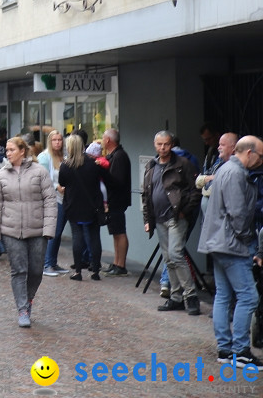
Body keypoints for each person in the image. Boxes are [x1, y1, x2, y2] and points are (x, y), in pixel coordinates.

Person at [197, 135, 263, 367]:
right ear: (249, 153)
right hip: (232, 245)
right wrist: (249, 243)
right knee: (248, 296)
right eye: (261, 155)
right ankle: (240, 351)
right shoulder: (236, 173)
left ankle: (225, 349)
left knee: (223, 296)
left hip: (219, 242)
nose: (261, 160)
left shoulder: (225, 170)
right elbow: (238, 215)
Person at [0, 137, 57, 328]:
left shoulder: (39, 172)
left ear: (22, 151)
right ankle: (22, 309)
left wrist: (49, 229)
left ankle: (29, 299)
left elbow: (50, 201)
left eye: (11, 150)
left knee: (35, 271)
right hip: (11, 231)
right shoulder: (2, 175)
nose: (7, 153)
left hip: (37, 230)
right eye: (7, 150)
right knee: (19, 271)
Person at [141, 130, 202, 314]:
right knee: (168, 258)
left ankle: (190, 296)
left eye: (166, 144)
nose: (163, 148)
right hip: (158, 219)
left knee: (176, 254)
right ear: (155, 145)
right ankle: (175, 297)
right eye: (159, 144)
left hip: (176, 217)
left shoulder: (183, 164)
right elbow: (146, 194)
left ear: (172, 144)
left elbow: (195, 190)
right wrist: (147, 219)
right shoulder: (151, 166)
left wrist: (185, 211)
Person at [59, 134, 108, 282]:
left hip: (74, 205)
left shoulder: (66, 166)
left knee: (77, 237)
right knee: (94, 238)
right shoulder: (93, 164)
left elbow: (62, 182)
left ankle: (78, 271)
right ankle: (96, 270)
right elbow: (103, 179)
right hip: (92, 205)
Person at [100, 129, 132, 276]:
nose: (101, 140)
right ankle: (116, 262)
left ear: (108, 140)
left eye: (103, 138)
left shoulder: (119, 157)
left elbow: (117, 181)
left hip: (117, 200)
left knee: (119, 232)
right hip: (115, 200)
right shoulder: (116, 155)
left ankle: (121, 264)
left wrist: (103, 172)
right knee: (115, 232)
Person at [37, 131, 69, 274]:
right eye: (54, 140)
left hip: (64, 198)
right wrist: (56, 187)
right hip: (52, 198)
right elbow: (42, 178)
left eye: (59, 140)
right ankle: (47, 264)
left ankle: (53, 262)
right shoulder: (45, 157)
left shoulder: (64, 156)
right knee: (53, 231)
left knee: (58, 232)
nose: (57, 142)